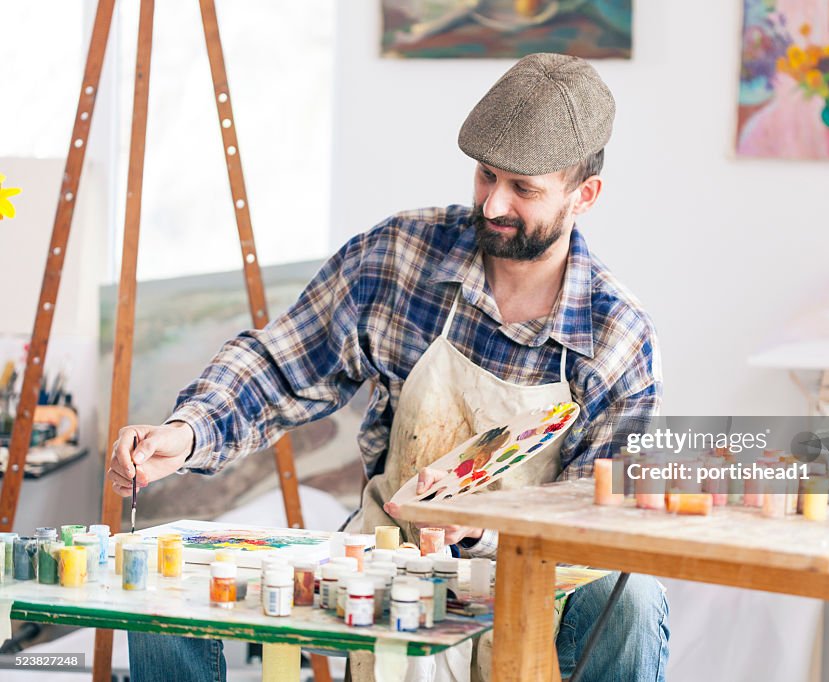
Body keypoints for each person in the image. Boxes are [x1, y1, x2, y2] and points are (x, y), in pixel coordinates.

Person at [107, 52, 668, 682]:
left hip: (534, 581)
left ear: (585, 195)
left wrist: (485, 528)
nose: (491, 206)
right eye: (485, 176)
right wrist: (183, 434)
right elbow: (281, 363)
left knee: (636, 599)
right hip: (389, 556)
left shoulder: (617, 336)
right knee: (162, 575)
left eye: (524, 189)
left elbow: (599, 517)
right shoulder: (400, 254)